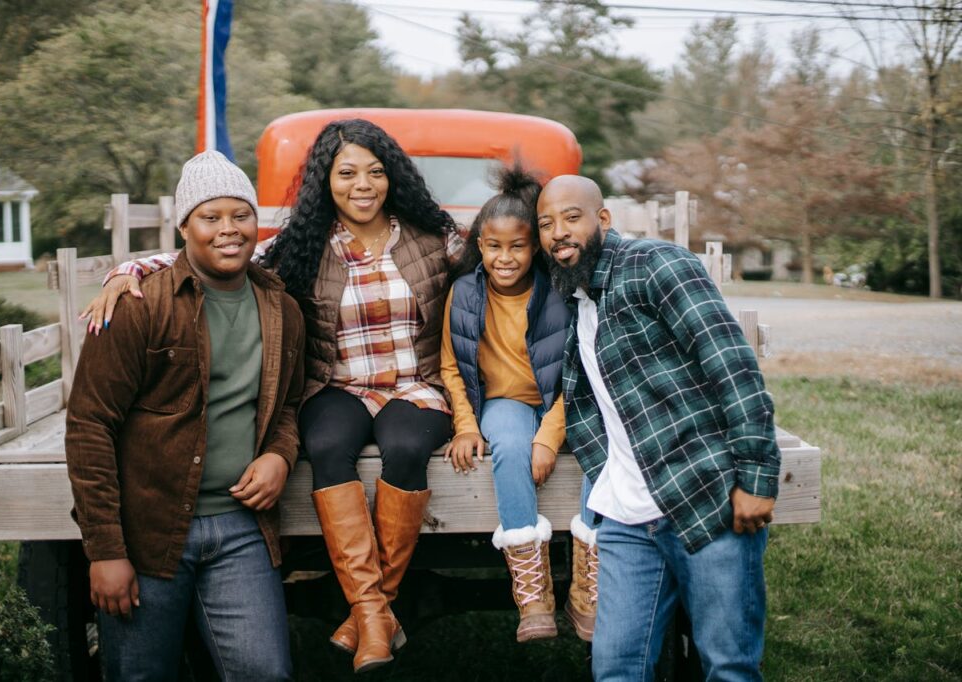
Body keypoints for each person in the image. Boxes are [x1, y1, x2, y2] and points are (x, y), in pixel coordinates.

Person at [80, 119, 464, 673]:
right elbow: (216, 254)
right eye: (347, 172)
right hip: (340, 386)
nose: (363, 184)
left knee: (406, 447)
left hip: (414, 387)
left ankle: (371, 612)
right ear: (324, 181)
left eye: (376, 172)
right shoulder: (305, 247)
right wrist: (130, 268)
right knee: (327, 442)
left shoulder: (434, 240)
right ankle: (372, 611)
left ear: (394, 178)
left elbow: (506, 260)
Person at [65, 150, 304, 681]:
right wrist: (105, 550)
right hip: (147, 529)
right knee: (141, 676)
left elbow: (288, 404)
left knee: (266, 673)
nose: (228, 230)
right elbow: (89, 426)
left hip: (241, 528)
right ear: (184, 226)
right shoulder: (137, 305)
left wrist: (278, 456)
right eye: (210, 217)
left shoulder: (281, 309)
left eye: (240, 215)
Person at [537, 175, 780, 681]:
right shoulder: (581, 300)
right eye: (546, 223)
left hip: (705, 500)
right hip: (627, 517)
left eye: (571, 217)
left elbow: (733, 367)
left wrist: (756, 477)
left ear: (603, 219)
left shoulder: (658, 265)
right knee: (616, 667)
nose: (558, 232)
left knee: (728, 665)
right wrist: (606, 474)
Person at [440, 165, 599, 643]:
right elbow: (452, 366)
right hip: (503, 400)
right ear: (479, 247)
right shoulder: (465, 293)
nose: (505, 258)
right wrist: (466, 426)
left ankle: (588, 588)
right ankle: (533, 592)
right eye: (494, 247)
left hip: (563, 401)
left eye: (518, 246)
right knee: (507, 446)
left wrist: (549, 439)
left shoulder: (560, 294)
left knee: (601, 453)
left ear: (535, 249)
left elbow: (578, 373)